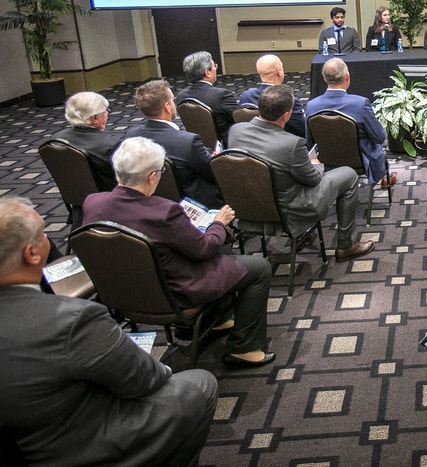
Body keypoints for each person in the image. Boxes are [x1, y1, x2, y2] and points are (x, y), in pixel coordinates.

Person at [0, 197, 219, 464]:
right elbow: (146, 380)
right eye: (44, 233)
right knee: (198, 384)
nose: (49, 239)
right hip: (69, 448)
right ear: (32, 254)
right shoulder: (72, 319)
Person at [82, 137, 275, 368]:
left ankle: (218, 319)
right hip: (173, 293)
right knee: (259, 268)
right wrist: (219, 223)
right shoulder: (164, 212)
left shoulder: (92, 203)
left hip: (121, 292)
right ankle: (244, 348)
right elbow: (204, 249)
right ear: (152, 177)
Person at [228, 85, 374, 262]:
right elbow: (312, 180)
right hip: (289, 210)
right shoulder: (291, 144)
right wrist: (316, 165)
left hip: (249, 205)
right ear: (286, 115)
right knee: (349, 175)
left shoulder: (235, 130)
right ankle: (345, 246)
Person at [126, 79, 224, 208]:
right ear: (167, 107)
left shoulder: (131, 136)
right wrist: (215, 160)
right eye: (172, 100)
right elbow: (214, 174)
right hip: (192, 203)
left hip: (149, 200)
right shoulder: (188, 141)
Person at [306, 57, 397, 188]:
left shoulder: (311, 106)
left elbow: (309, 142)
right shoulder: (360, 104)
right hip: (361, 162)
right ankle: (384, 177)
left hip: (328, 161)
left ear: (324, 78)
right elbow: (379, 137)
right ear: (347, 77)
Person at [51, 90, 120, 191]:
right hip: (108, 200)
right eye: (105, 111)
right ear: (94, 118)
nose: (107, 114)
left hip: (75, 197)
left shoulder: (56, 140)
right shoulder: (109, 146)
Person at [175, 50, 239, 147]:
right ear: (207, 72)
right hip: (225, 145)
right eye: (214, 66)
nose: (216, 69)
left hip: (196, 144)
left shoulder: (181, 96)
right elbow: (239, 119)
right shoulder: (221, 95)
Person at [239, 54, 307, 138]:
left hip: (252, 140)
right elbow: (302, 131)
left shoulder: (246, 95)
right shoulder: (290, 100)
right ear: (279, 71)